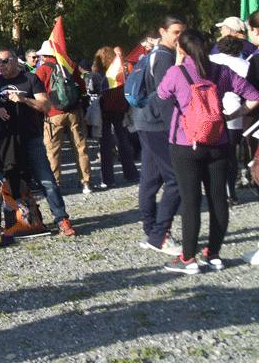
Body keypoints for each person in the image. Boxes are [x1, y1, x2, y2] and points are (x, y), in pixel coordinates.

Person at [156, 30, 259, 274]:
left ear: (181, 49)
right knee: (217, 199)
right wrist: (232, 115)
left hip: (184, 143)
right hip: (219, 142)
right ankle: (213, 255)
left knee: (190, 201)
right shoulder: (221, 71)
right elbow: (254, 97)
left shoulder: (176, 72)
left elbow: (161, 94)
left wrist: (179, 63)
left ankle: (188, 258)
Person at [0, 50, 78, 236]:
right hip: (6, 140)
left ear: (15, 61)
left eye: (4, 61)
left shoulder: (30, 79)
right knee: (9, 181)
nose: (0, 66)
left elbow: (45, 106)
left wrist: (24, 100)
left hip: (31, 137)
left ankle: (62, 219)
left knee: (46, 180)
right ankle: (15, 222)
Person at [132, 16, 185, 256]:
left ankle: (152, 231)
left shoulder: (152, 55)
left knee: (151, 179)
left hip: (146, 121)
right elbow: (167, 96)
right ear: (162, 31)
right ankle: (159, 235)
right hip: (159, 124)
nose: (179, 37)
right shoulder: (163, 58)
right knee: (176, 179)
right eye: (175, 32)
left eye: (182, 33)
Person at [33, 40, 93, 194]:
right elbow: (82, 86)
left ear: (44, 55)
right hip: (74, 112)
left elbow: (38, 92)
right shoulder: (69, 65)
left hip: (53, 114)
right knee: (81, 147)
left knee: (52, 150)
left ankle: (56, 184)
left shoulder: (42, 70)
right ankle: (85, 182)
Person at [210, 36, 252, 203]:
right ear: (239, 49)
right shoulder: (245, 65)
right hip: (235, 112)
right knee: (231, 154)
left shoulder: (210, 59)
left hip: (213, 110)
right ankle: (230, 192)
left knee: (216, 154)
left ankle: (216, 190)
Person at [90, 47, 138, 188]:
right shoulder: (119, 72)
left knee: (105, 145)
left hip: (103, 110)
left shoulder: (97, 74)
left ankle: (108, 178)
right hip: (119, 108)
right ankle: (131, 173)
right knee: (123, 140)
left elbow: (92, 90)